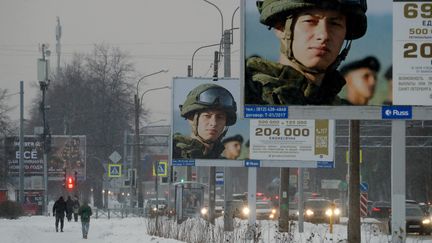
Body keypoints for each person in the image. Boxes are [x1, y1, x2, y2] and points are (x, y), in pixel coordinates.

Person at [245, 0, 367, 105]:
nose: (323, 35)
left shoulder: (344, 111)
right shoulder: (247, 95)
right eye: (310, 21)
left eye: (335, 24)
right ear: (280, 28)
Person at [173, 83, 237, 159]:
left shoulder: (223, 162)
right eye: (207, 116)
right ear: (191, 119)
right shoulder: (173, 153)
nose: (213, 123)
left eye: (220, 117)